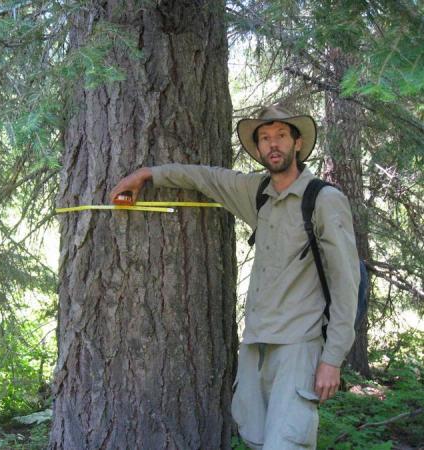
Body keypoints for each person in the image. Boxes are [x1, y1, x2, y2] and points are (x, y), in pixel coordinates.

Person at [109, 105, 359, 449]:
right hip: (255, 344)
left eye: (282, 136)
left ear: (297, 143)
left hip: (299, 347)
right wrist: (148, 174)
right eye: (265, 138)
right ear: (258, 150)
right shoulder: (257, 194)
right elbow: (206, 177)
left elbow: (346, 283)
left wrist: (332, 358)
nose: (274, 145)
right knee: (255, 439)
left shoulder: (323, 200)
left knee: (286, 443)